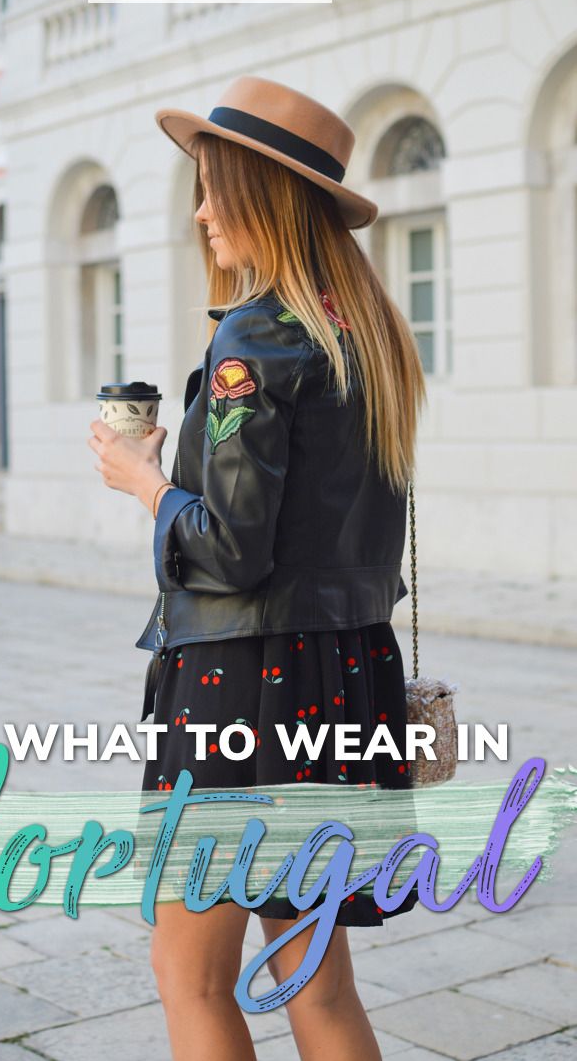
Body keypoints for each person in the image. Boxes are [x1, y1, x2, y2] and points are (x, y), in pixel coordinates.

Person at [88, 76, 426, 1061]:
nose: (200, 210)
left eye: (213, 188)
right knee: (315, 987)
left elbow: (232, 548)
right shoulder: (365, 333)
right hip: (344, 678)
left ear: (264, 199)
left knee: (187, 972)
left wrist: (143, 480)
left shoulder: (252, 339)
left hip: (245, 686)